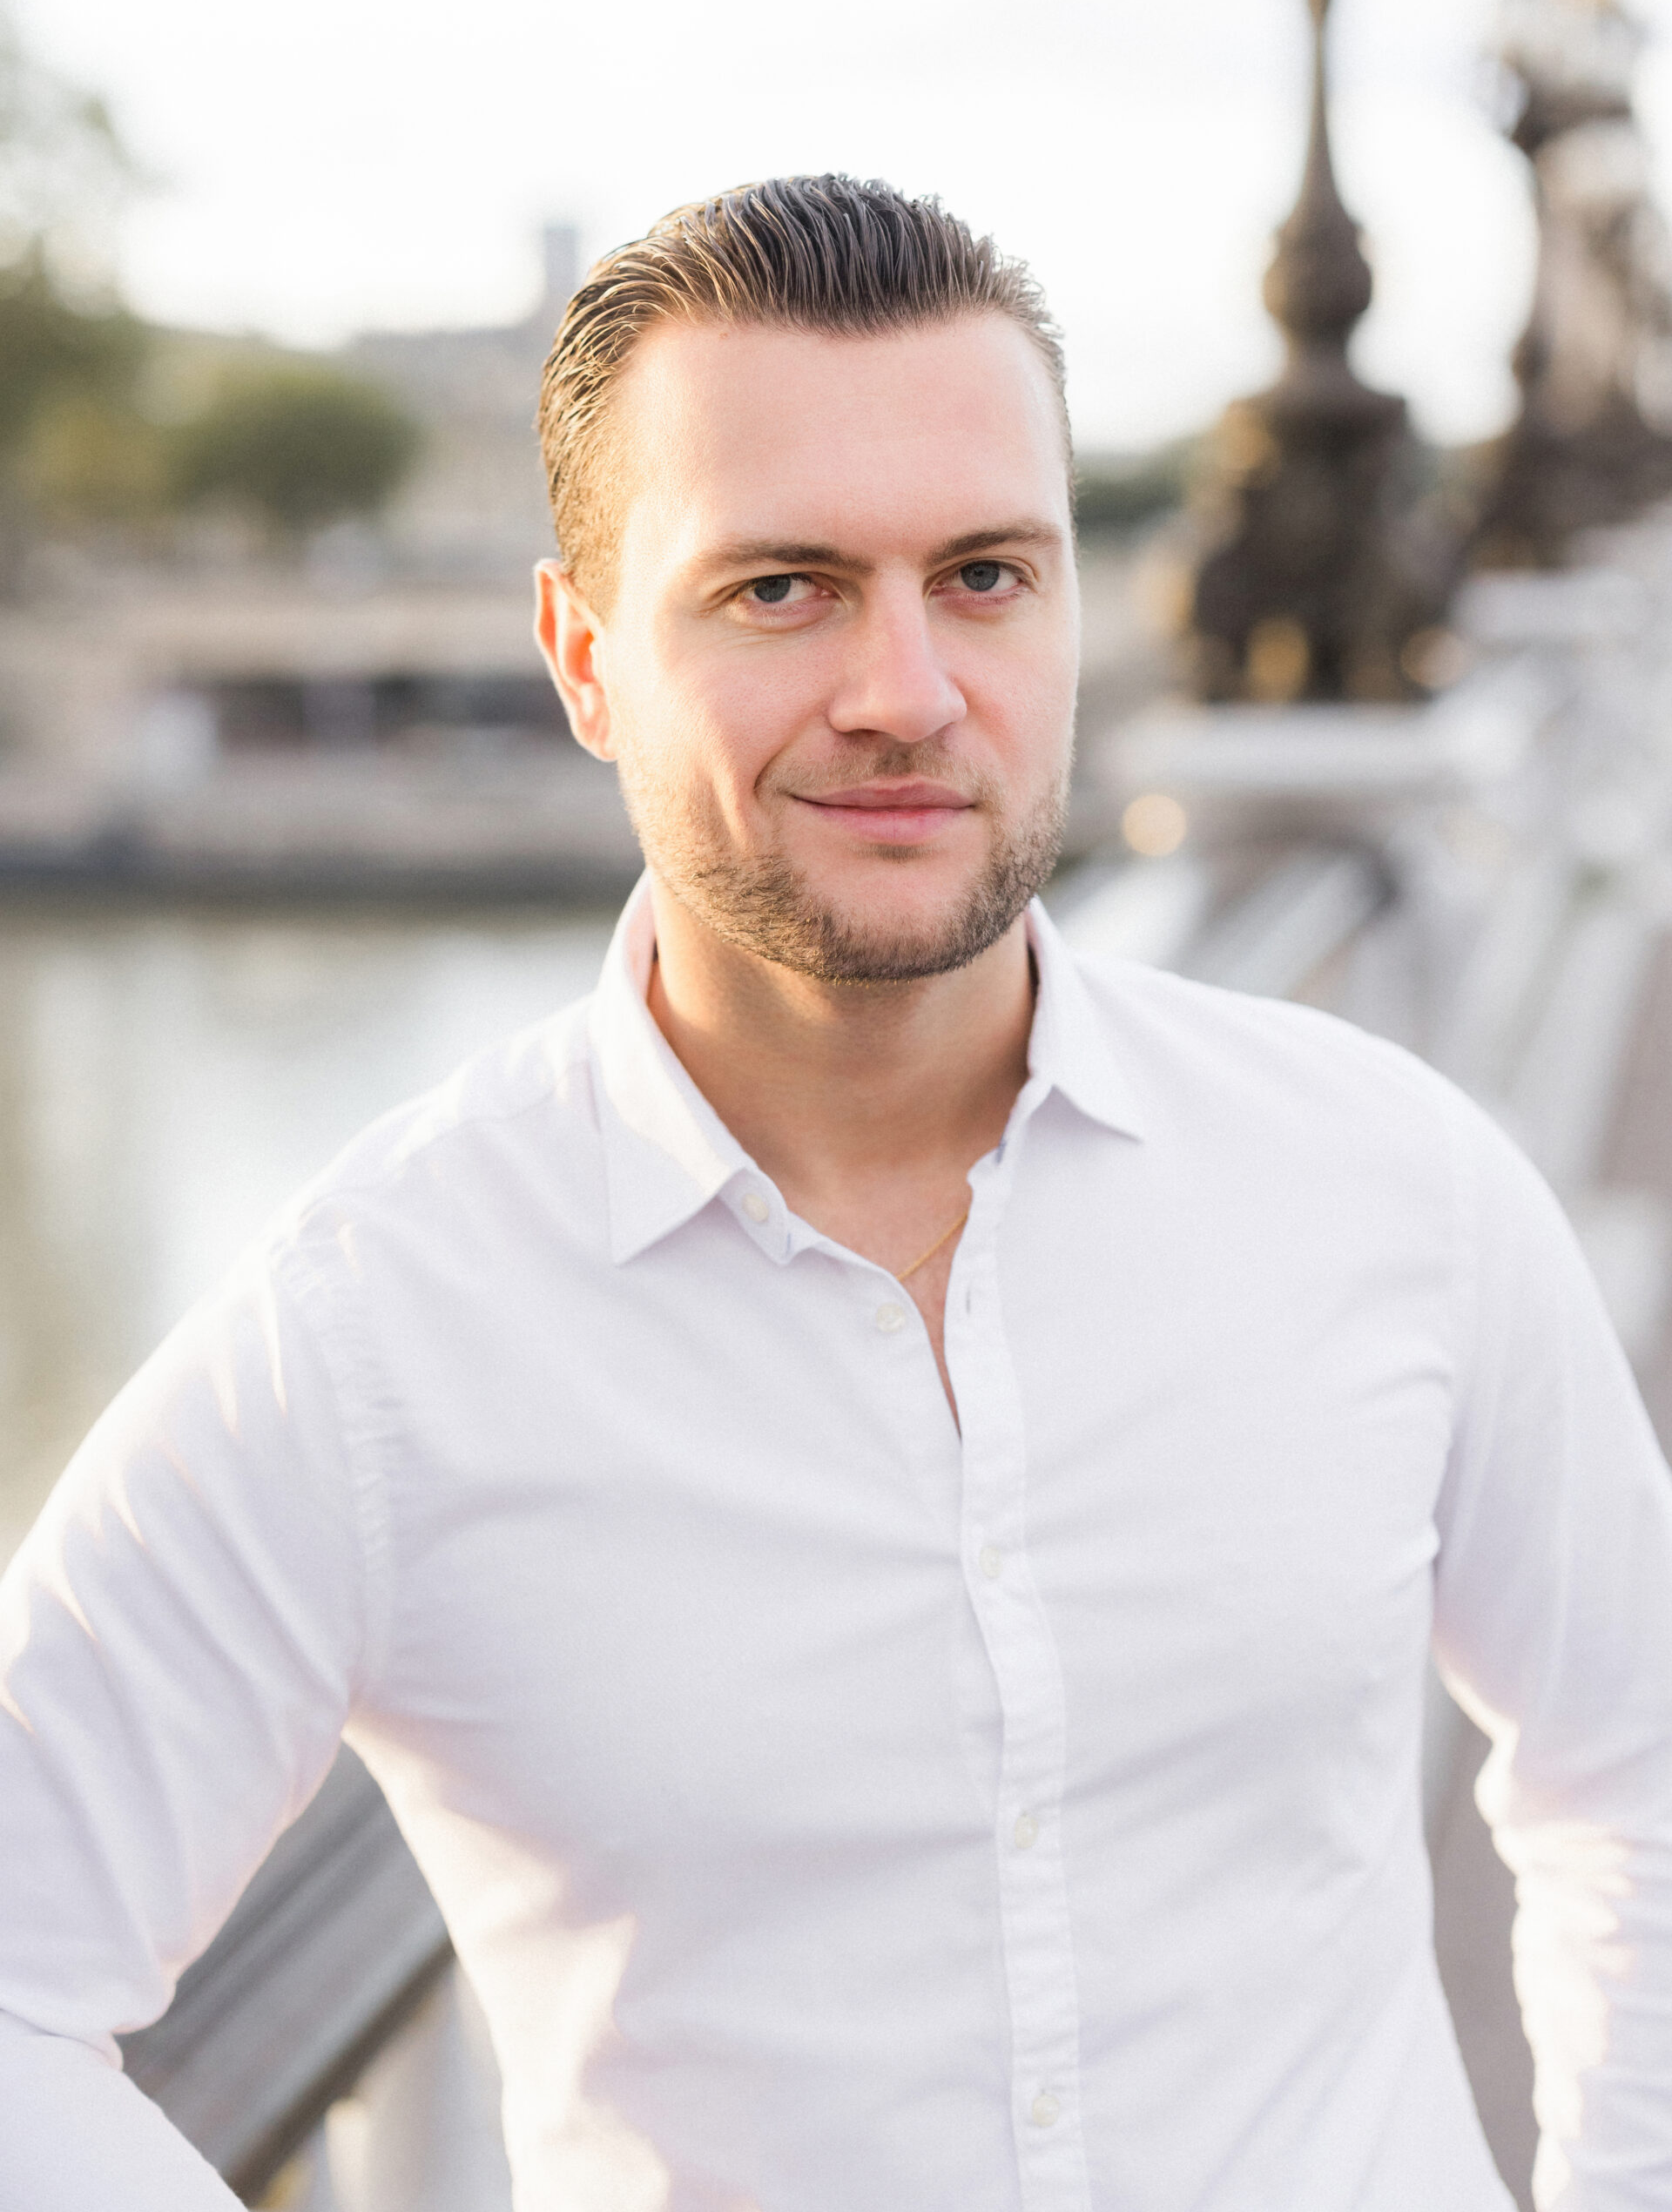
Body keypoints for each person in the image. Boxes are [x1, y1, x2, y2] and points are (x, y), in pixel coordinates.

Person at [2, 172, 1670, 2212]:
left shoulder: (1392, 1180)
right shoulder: (369, 1333)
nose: (905, 688)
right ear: (583, 652)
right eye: (781, 587)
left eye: (983, 574)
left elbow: (1636, 1767)